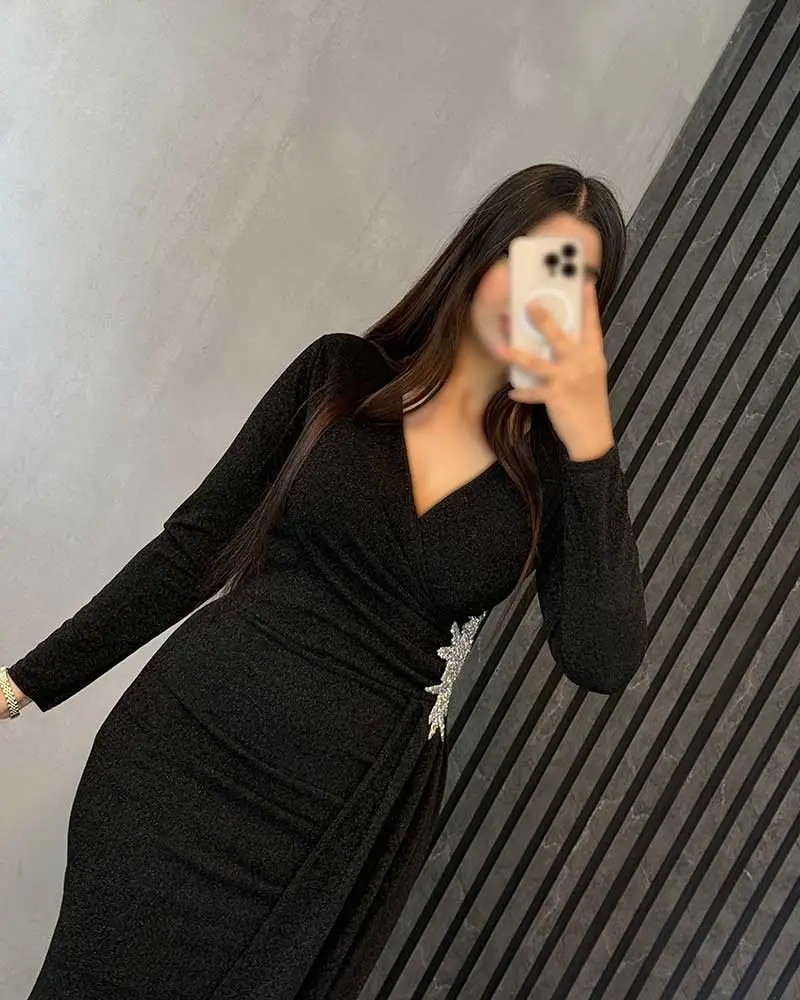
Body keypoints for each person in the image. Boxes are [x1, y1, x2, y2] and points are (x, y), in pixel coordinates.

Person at [1, 163, 648, 1000]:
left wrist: (591, 438)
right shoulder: (340, 376)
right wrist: (22, 683)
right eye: (533, 260)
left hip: (325, 825)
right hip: (177, 762)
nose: (541, 295)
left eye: (573, 283)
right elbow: (193, 550)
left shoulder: (553, 474)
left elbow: (602, 657)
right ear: (483, 255)